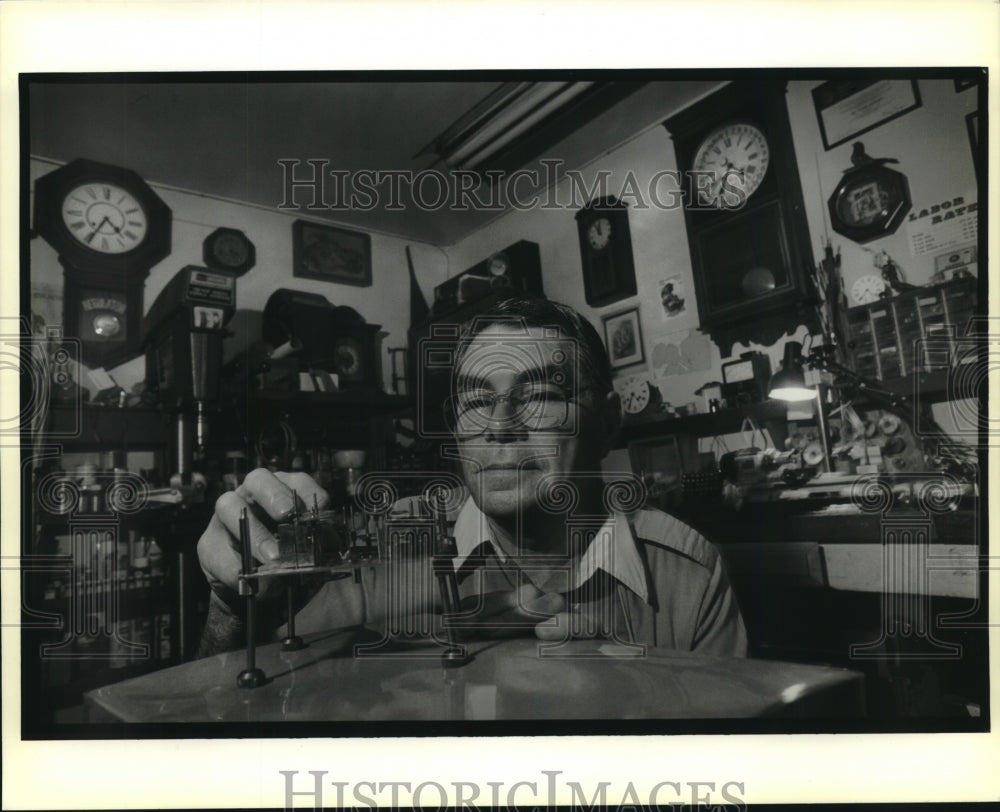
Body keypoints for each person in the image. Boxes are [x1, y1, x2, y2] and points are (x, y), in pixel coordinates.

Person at [196, 298, 746, 657]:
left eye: (542, 397)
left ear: (605, 423)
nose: (499, 427)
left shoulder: (688, 576)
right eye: (476, 401)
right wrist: (233, 606)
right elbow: (218, 720)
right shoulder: (372, 551)